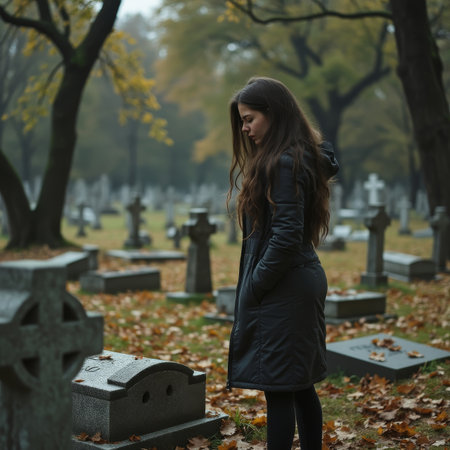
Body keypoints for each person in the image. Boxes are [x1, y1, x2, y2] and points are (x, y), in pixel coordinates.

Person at [226, 76, 339, 450]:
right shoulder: (296, 156)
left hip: (284, 286)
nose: (244, 128)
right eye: (242, 120)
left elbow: (286, 237)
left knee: (278, 388)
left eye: (249, 118)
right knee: (298, 384)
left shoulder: (284, 163)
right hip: (295, 281)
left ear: (273, 114)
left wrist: (255, 285)